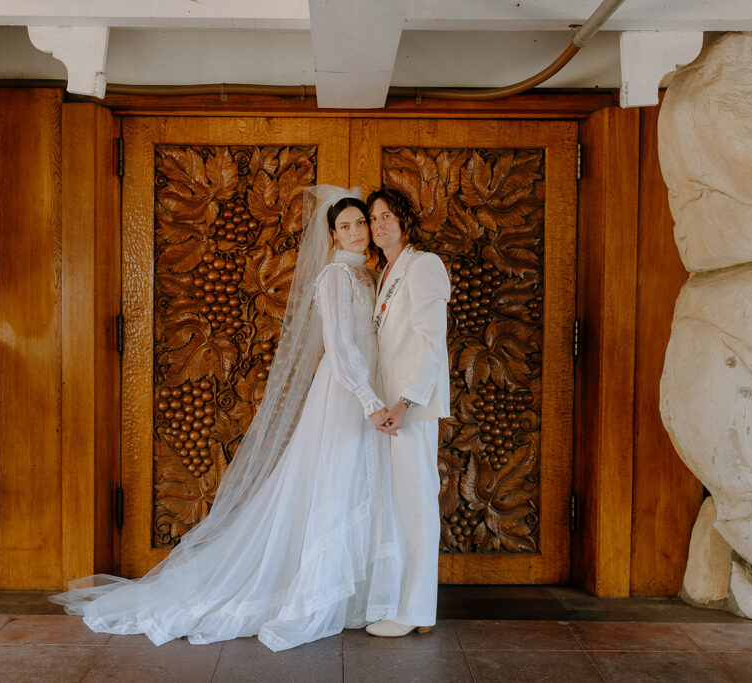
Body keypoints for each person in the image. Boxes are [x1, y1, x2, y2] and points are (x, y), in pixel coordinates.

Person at [50, 186, 401, 651]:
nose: (358, 232)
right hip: (345, 396)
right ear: (332, 235)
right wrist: (367, 399)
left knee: (358, 485)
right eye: (346, 226)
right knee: (336, 487)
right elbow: (340, 348)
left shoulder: (367, 275)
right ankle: (318, 598)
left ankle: (353, 596)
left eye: (362, 223)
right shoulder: (335, 276)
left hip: (368, 393)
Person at [364, 188, 451, 638]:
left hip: (410, 408)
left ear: (404, 220)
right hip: (391, 408)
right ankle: (401, 602)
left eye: (386, 216)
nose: (378, 225)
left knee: (415, 504)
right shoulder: (387, 273)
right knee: (396, 504)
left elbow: (432, 341)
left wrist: (406, 401)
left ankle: (417, 610)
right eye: (373, 218)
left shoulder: (424, 265)